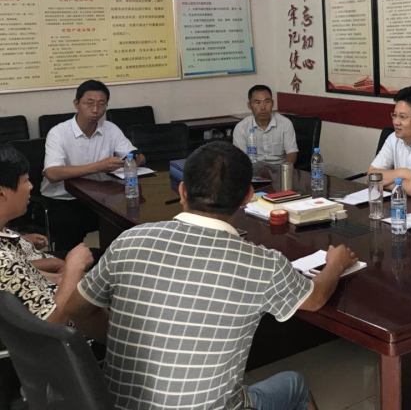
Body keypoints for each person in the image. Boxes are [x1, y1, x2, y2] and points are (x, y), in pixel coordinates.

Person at [65, 141, 358, 410]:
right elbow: (315, 298)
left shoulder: (130, 240)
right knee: (296, 384)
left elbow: (76, 308)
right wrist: (335, 264)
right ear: (248, 197)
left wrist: (130, 346)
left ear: (182, 191)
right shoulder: (262, 264)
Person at [0, 145, 93, 408]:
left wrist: (61, 275)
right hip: (68, 349)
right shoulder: (3, 261)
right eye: (25, 181)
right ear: (2, 192)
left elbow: (24, 278)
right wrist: (73, 268)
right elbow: (53, 327)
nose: (31, 187)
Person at [41, 80, 145, 252]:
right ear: (76, 104)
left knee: (127, 218)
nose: (96, 110)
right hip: (64, 199)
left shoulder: (110, 129)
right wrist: (99, 166)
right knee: (70, 230)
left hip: (100, 197)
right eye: (89, 103)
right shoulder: (58, 133)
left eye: (101, 104)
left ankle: (113, 260)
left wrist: (134, 159)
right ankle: (69, 265)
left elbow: (134, 154)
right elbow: (52, 173)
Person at [233, 85, 299, 165]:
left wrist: (283, 170)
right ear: (249, 105)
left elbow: (292, 154)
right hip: (253, 169)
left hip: (279, 168)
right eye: (257, 102)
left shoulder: (285, 123)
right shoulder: (241, 128)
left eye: (267, 102)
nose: (263, 107)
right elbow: (240, 159)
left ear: (272, 103)